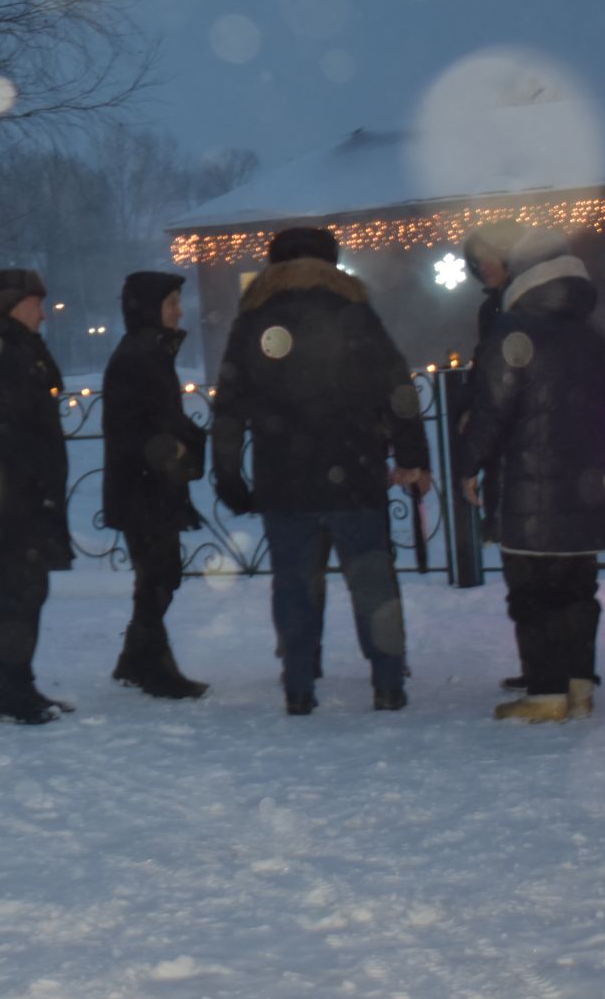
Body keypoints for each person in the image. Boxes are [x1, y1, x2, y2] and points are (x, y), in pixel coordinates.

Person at [211, 227, 431, 715]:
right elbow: (397, 389)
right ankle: (388, 680)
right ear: (331, 264)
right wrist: (413, 458)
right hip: (355, 472)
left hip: (283, 477)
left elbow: (228, 404)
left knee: (293, 582)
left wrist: (227, 472)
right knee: (372, 579)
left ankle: (298, 683)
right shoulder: (355, 314)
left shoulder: (254, 320)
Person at [454, 230, 605, 722]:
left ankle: (545, 693)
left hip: (530, 481)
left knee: (532, 591)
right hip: (587, 483)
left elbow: (492, 408)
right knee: (577, 590)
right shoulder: (591, 333)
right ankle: (579, 685)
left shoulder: (514, 330)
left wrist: (469, 464)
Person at [0, 268, 75, 724]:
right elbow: (4, 432)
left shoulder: (14, 350)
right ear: (14, 304)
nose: (44, 314)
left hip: (21, 493)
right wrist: (32, 484)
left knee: (28, 589)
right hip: (11, 496)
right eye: (36, 303)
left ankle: (18, 683)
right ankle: (9, 690)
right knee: (19, 591)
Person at [102, 271, 208, 700]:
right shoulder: (141, 355)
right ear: (149, 309)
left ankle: (136, 660)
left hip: (147, 484)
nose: (179, 311)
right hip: (143, 486)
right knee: (159, 574)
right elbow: (133, 427)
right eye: (171, 304)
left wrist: (188, 441)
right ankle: (153, 667)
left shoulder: (150, 352)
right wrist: (173, 449)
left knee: (159, 574)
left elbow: (160, 418)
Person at [461, 220, 528, 689]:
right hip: (511, 446)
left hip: (523, 446)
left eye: (491, 256)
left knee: (535, 559)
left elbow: (498, 381)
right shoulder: (496, 309)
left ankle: (551, 667)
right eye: (478, 259)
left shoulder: (518, 308)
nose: (484, 267)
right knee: (523, 560)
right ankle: (546, 664)